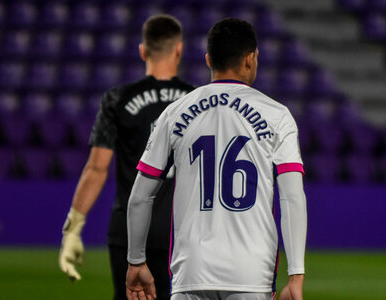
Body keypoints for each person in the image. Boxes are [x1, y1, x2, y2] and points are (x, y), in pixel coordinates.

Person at [125, 18, 307, 300]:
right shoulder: (277, 115)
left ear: (209, 59)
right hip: (251, 274)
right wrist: (295, 275)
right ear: (250, 59)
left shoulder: (175, 112)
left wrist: (136, 261)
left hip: (191, 272)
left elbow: (140, 197)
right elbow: (291, 198)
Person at [58, 14, 194, 300]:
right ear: (179, 50)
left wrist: (73, 229)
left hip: (130, 233)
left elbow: (96, 168)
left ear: (143, 51)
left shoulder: (117, 99)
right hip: (184, 235)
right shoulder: (197, 100)